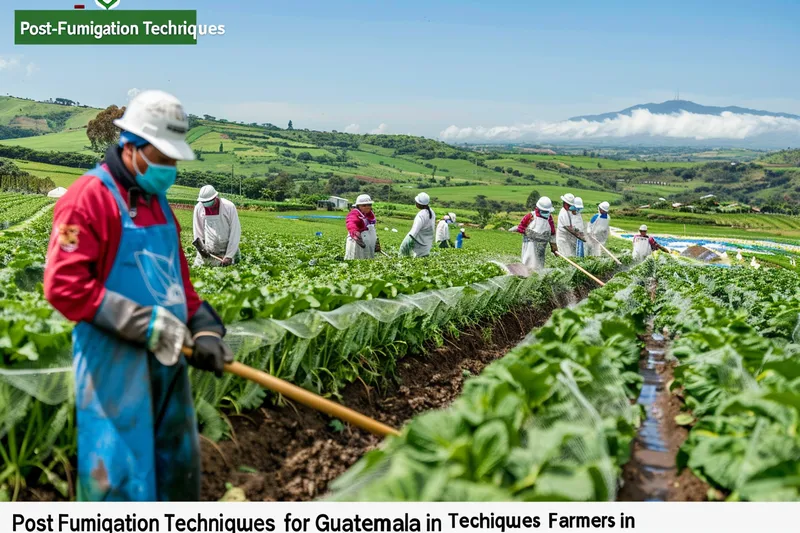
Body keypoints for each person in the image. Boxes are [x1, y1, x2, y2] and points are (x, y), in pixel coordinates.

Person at [43, 90, 234, 501]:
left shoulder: (159, 204)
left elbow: (179, 285)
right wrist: (144, 324)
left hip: (167, 363)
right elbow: (64, 287)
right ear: (130, 146)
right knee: (121, 481)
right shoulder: (87, 200)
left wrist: (204, 328)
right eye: (161, 157)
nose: (168, 167)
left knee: (176, 469)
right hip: (114, 364)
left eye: (173, 159)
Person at [192, 185, 241, 267]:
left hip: (227, 250)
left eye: (209, 201)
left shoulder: (229, 207)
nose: (206, 203)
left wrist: (229, 255)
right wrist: (201, 249)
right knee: (199, 270)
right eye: (204, 202)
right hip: (209, 251)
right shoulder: (199, 208)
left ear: (215, 197)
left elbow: (235, 232)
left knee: (230, 272)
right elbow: (198, 231)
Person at [516, 196, 558, 272]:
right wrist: (529, 233)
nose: (546, 213)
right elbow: (520, 227)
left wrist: (553, 245)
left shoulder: (549, 218)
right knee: (528, 263)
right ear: (538, 209)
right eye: (544, 211)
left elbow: (552, 233)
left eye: (547, 212)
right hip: (530, 245)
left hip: (541, 246)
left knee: (539, 265)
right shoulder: (531, 216)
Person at [400, 192, 436, 258]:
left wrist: (404, 245)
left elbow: (414, 232)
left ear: (419, 204)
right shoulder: (431, 212)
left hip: (420, 243)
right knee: (424, 259)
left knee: (418, 258)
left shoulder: (421, 215)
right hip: (428, 243)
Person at [345, 194, 380, 260]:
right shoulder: (354, 213)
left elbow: (372, 230)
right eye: (364, 205)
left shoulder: (370, 215)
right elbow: (350, 223)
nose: (367, 207)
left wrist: (376, 242)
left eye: (369, 205)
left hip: (368, 244)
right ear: (358, 206)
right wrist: (354, 232)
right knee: (356, 261)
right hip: (357, 243)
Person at [556, 193, 584, 258]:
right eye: (569, 205)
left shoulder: (571, 211)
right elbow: (570, 229)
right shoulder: (563, 213)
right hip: (563, 238)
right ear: (565, 204)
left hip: (571, 238)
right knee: (566, 256)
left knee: (573, 256)